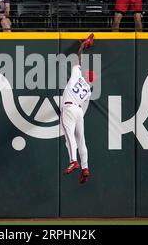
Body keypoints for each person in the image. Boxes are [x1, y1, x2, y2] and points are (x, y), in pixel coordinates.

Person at [61, 34, 94, 184]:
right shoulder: (88, 89)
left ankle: (74, 161)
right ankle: (85, 168)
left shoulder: (76, 76)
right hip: (79, 111)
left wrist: (82, 46)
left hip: (68, 108)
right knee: (82, 141)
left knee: (69, 139)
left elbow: (78, 58)